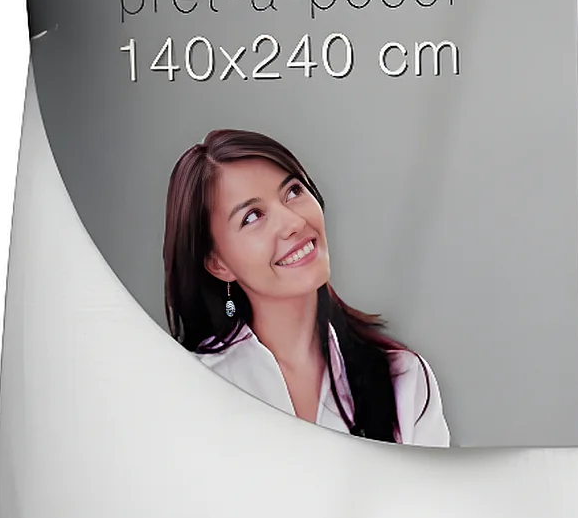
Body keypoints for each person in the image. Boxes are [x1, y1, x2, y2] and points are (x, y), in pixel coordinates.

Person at [160, 129, 448, 444]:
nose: (294, 223)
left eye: (294, 191)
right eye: (253, 216)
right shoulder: (196, 388)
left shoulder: (402, 380)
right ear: (219, 264)